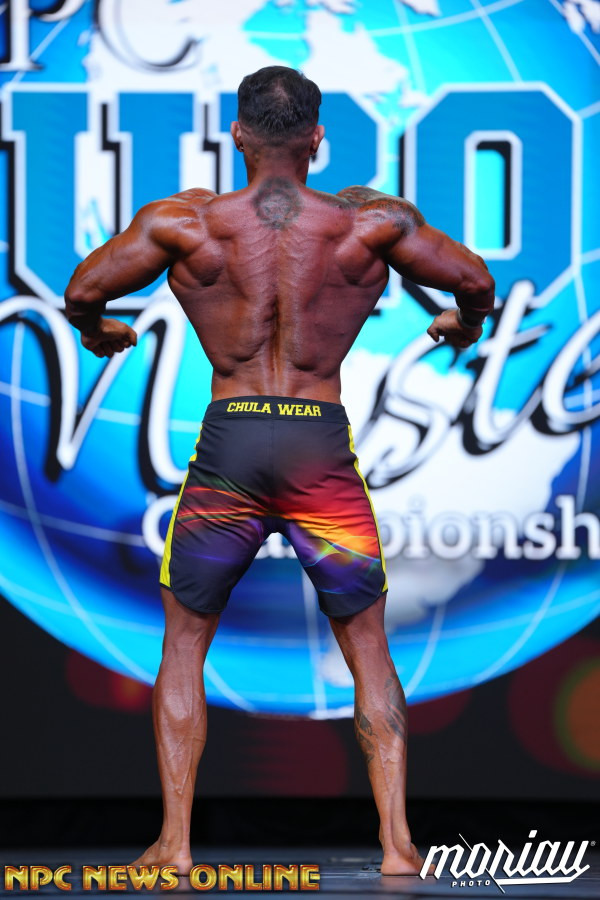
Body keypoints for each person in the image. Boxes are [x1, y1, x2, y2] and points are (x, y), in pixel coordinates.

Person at [64, 65, 494, 876]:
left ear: (236, 134)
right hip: (317, 450)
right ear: (317, 139)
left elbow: (83, 289)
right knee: (365, 642)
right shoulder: (369, 224)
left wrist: (98, 332)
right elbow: (475, 282)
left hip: (231, 447)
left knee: (185, 642)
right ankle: (397, 845)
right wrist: (461, 324)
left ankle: (176, 843)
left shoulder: (185, 223)